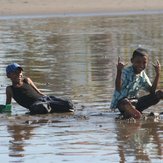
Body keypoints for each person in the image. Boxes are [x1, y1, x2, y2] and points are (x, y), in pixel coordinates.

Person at [110, 48, 163, 119]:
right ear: (132, 61)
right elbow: (118, 88)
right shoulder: (125, 72)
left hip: (135, 102)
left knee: (160, 93)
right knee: (125, 102)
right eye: (138, 62)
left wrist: (158, 74)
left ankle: (130, 113)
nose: (141, 65)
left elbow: (152, 92)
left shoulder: (142, 75)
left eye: (144, 63)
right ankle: (129, 112)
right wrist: (119, 71)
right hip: (122, 104)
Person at [5, 63, 74, 115]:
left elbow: (38, 92)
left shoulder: (27, 80)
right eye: (15, 72)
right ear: (8, 75)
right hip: (35, 104)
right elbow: (8, 105)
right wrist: (7, 114)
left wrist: (44, 95)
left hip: (45, 99)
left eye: (20, 72)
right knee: (41, 107)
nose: (19, 74)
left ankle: (52, 108)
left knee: (68, 103)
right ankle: (51, 109)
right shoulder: (10, 89)